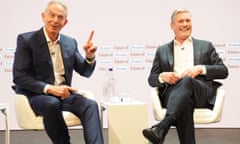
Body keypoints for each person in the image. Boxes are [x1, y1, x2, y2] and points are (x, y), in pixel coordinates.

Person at [12, 1, 104, 144]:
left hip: (64, 95)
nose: (55, 20)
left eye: (60, 17)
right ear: (43, 16)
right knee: (51, 103)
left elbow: (85, 71)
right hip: (39, 95)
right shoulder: (27, 40)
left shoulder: (70, 43)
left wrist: (89, 56)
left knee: (90, 105)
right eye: (52, 15)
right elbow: (19, 76)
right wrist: (50, 89)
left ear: (65, 22)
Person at [142, 8, 228, 144]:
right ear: (172, 26)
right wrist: (162, 77)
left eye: (188, 20)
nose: (185, 24)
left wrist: (201, 69)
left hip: (200, 92)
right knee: (185, 103)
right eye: (181, 21)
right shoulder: (162, 50)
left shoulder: (205, 46)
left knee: (187, 81)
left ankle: (163, 126)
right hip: (173, 94)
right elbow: (151, 79)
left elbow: (223, 71)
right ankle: (163, 129)